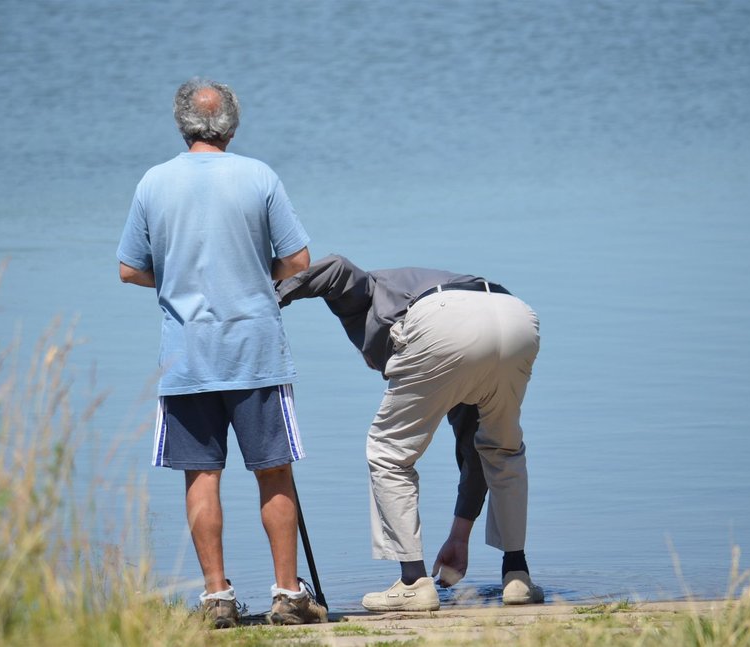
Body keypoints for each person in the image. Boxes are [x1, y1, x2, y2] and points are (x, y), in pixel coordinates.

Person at [116, 77, 327, 628]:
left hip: (185, 354)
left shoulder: (153, 182)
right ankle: (287, 593)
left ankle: (217, 598)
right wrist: (260, 274)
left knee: (200, 475)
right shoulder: (258, 175)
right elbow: (299, 259)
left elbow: (129, 268)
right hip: (255, 347)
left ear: (182, 122)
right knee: (273, 472)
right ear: (231, 124)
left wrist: (177, 278)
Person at [276, 254, 544, 610]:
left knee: (388, 451)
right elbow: (474, 452)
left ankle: (413, 582)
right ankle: (517, 576)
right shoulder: (413, 290)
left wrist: (268, 295)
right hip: (514, 316)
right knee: (501, 448)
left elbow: (336, 268)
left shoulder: (370, 292)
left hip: (443, 318)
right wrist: (458, 536)